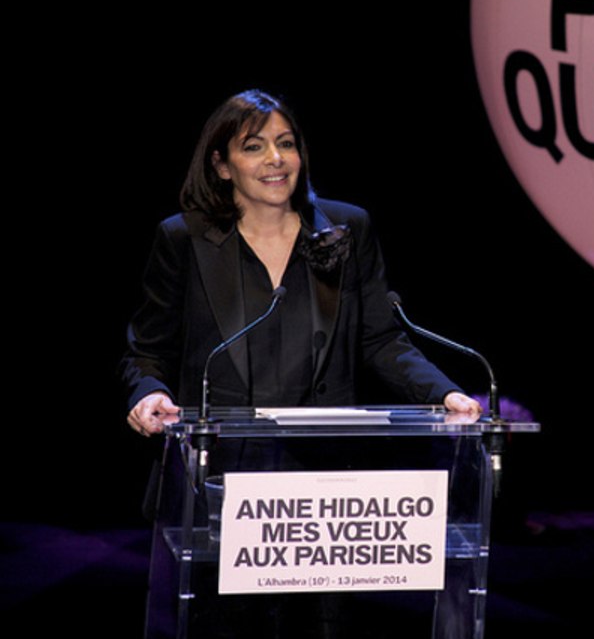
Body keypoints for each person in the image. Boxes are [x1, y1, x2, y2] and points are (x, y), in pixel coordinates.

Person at [122, 89, 481, 435]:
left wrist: (444, 394)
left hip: (322, 468)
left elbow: (381, 341)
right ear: (222, 166)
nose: (275, 158)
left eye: (286, 144)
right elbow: (147, 352)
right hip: (219, 464)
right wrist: (151, 392)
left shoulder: (348, 229)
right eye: (253, 146)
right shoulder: (183, 239)